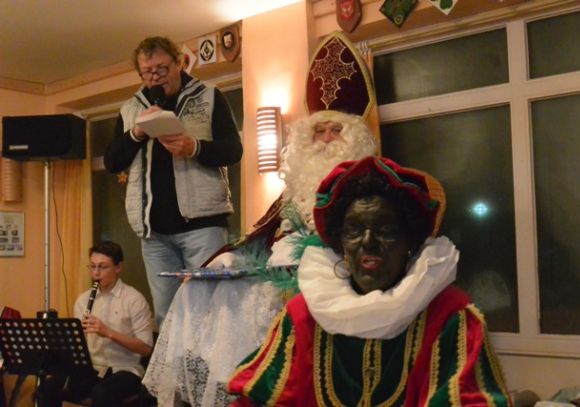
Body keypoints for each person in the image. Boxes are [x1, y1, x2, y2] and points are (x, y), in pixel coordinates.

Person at [228, 156, 512, 406]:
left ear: (410, 241)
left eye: (385, 229)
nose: (368, 242)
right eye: (354, 230)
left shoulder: (449, 316)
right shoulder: (303, 316)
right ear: (340, 242)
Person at [142, 110, 378, 406]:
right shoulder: (294, 192)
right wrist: (227, 258)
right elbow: (261, 235)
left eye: (336, 130)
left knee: (255, 296)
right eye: (319, 131)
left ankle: (253, 380)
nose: (327, 139)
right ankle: (226, 381)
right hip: (275, 270)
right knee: (196, 289)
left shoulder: (366, 186)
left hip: (329, 272)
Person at [104, 36, 242, 328]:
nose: (155, 77)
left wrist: (195, 148)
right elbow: (112, 162)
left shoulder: (209, 97)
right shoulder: (130, 109)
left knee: (210, 311)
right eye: (147, 72)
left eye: (162, 69)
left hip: (203, 227)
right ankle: (173, 361)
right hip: (153, 232)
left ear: (180, 62)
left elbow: (233, 150)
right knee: (166, 317)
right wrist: (137, 133)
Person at [39, 241, 153, 407]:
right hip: (92, 368)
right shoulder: (83, 300)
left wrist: (108, 332)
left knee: (102, 393)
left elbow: (146, 348)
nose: (96, 273)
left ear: (118, 267)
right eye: (92, 266)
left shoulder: (134, 299)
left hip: (125, 369)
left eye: (102, 267)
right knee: (49, 387)